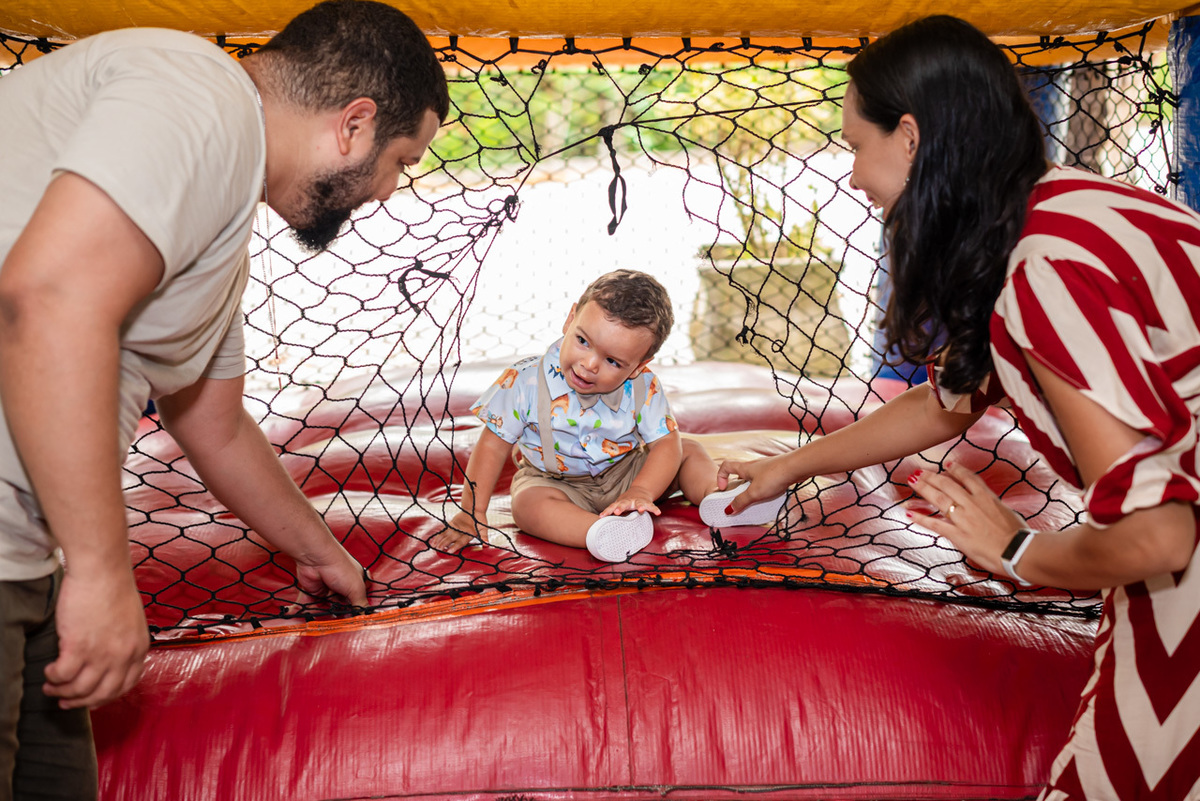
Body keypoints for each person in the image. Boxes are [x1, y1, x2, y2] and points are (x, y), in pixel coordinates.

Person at [715, 15, 1199, 799]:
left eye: (855, 145)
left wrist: (1017, 550)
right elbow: (948, 403)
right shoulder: (1059, 207)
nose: (852, 174)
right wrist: (791, 466)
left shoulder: (1045, 271)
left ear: (909, 138)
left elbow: (1157, 535)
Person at [0, 1, 448, 798]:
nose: (386, 192)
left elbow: (210, 417)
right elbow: (46, 298)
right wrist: (102, 571)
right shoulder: (198, 95)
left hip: (27, 557)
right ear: (354, 125)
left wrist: (318, 548)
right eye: (401, 161)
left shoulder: (216, 208)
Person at [432, 269, 784, 562]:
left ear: (638, 366)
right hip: (556, 482)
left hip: (627, 472)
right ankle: (600, 531)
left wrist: (642, 490)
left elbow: (664, 445)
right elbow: (492, 446)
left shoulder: (643, 385)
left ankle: (718, 497)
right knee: (527, 505)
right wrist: (473, 511)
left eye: (613, 361)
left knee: (686, 450)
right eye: (583, 341)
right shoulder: (524, 381)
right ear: (570, 319)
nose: (589, 364)